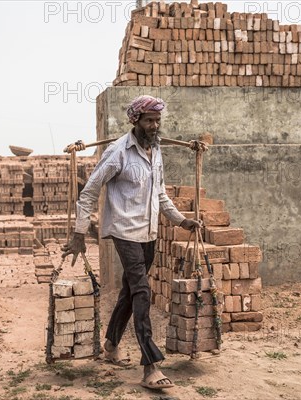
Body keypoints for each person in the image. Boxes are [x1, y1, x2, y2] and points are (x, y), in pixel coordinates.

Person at [62, 95, 202, 390]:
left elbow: (160, 195)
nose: (154, 126)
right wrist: (78, 232)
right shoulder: (117, 153)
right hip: (124, 231)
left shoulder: (156, 151)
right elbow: (89, 192)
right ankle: (150, 365)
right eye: (149, 120)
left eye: (157, 121)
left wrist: (180, 220)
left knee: (129, 290)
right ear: (134, 121)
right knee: (142, 291)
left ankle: (111, 344)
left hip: (149, 233)